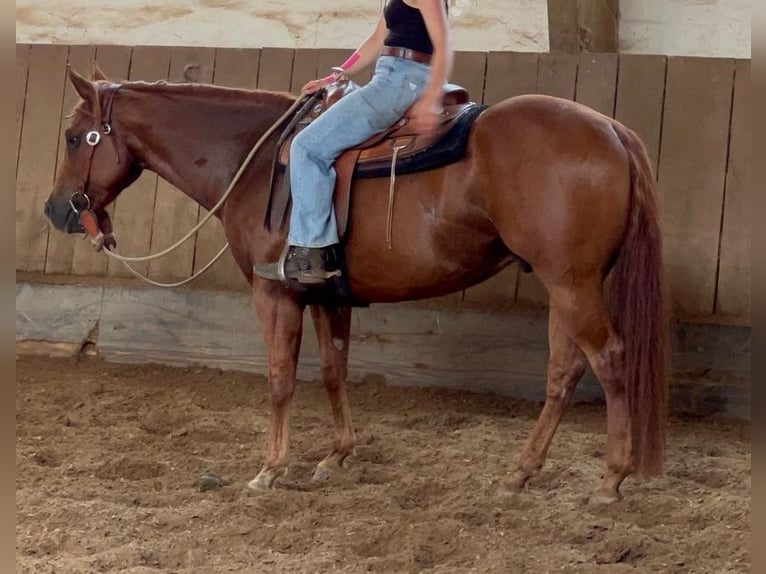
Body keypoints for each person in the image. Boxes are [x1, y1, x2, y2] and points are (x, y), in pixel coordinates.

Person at [254, 0, 453, 285]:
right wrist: (336, 75)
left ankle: (312, 253)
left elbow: (444, 44)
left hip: (400, 80)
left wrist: (432, 97)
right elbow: (375, 40)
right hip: (391, 75)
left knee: (307, 147)